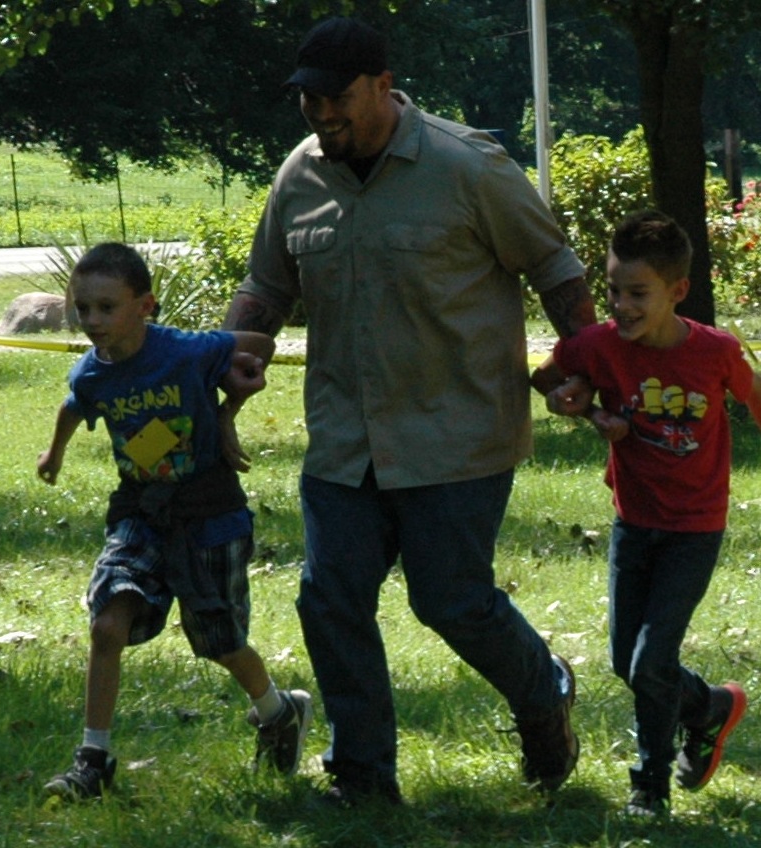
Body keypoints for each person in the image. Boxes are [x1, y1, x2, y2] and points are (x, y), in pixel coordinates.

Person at [220, 16, 596, 805]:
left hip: (456, 433)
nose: (323, 116)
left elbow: (554, 267)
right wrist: (231, 361)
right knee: (329, 600)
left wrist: (593, 367)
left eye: (338, 99)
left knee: (452, 602)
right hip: (343, 439)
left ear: (383, 87)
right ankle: (361, 776)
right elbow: (268, 284)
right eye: (309, 101)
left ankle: (543, 692)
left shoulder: (468, 166)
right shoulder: (300, 175)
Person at [533, 210, 761, 817]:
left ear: (677, 292)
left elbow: (757, 391)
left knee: (650, 660)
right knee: (625, 663)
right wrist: (580, 408)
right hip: (633, 523)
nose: (622, 306)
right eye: (612, 290)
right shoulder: (599, 345)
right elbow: (549, 378)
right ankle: (709, 707)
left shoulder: (713, 351)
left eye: (637, 293)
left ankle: (649, 787)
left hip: (695, 526)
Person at [37, 242, 312, 800]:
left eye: (106, 308)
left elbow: (257, 344)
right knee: (107, 622)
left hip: (210, 514)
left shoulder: (186, 352)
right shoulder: (93, 372)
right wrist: (55, 453)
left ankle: (279, 712)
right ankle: (92, 760)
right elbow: (74, 403)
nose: (92, 321)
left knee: (219, 642)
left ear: (146, 306)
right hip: (140, 511)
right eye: (82, 308)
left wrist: (226, 410)